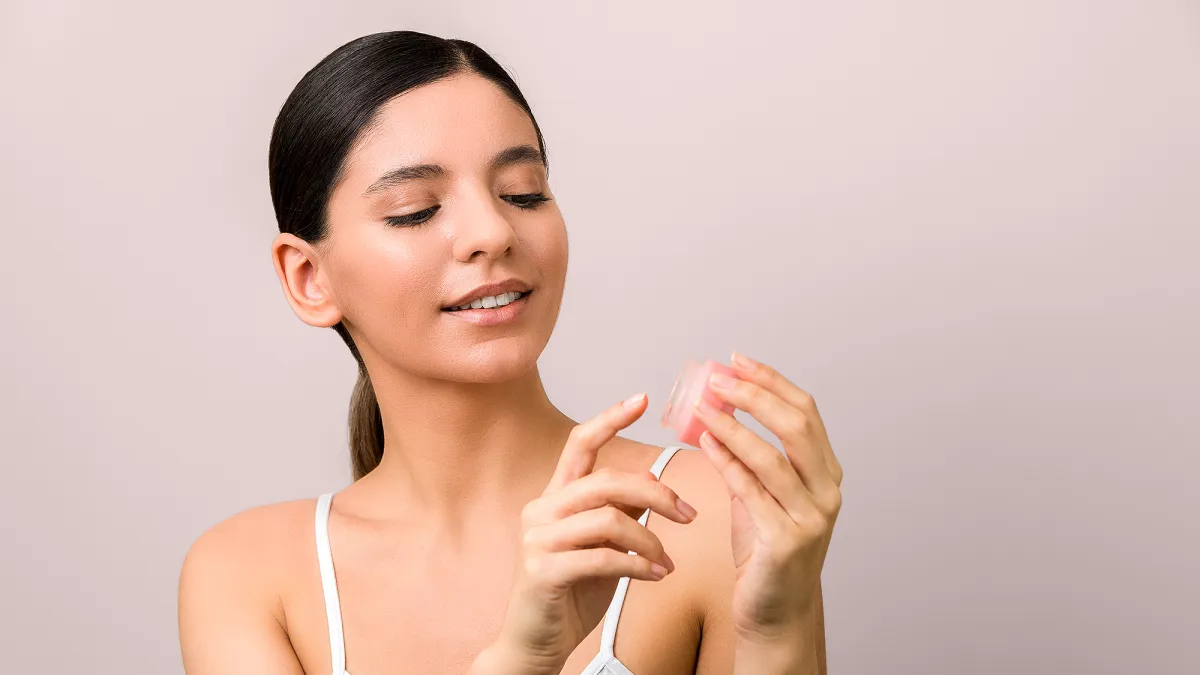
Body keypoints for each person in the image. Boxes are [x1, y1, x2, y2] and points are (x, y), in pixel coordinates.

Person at [177, 30, 844, 675]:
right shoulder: (247, 577)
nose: (492, 231)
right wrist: (521, 661)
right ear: (308, 278)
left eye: (523, 193)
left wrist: (777, 627)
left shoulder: (700, 514)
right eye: (415, 210)